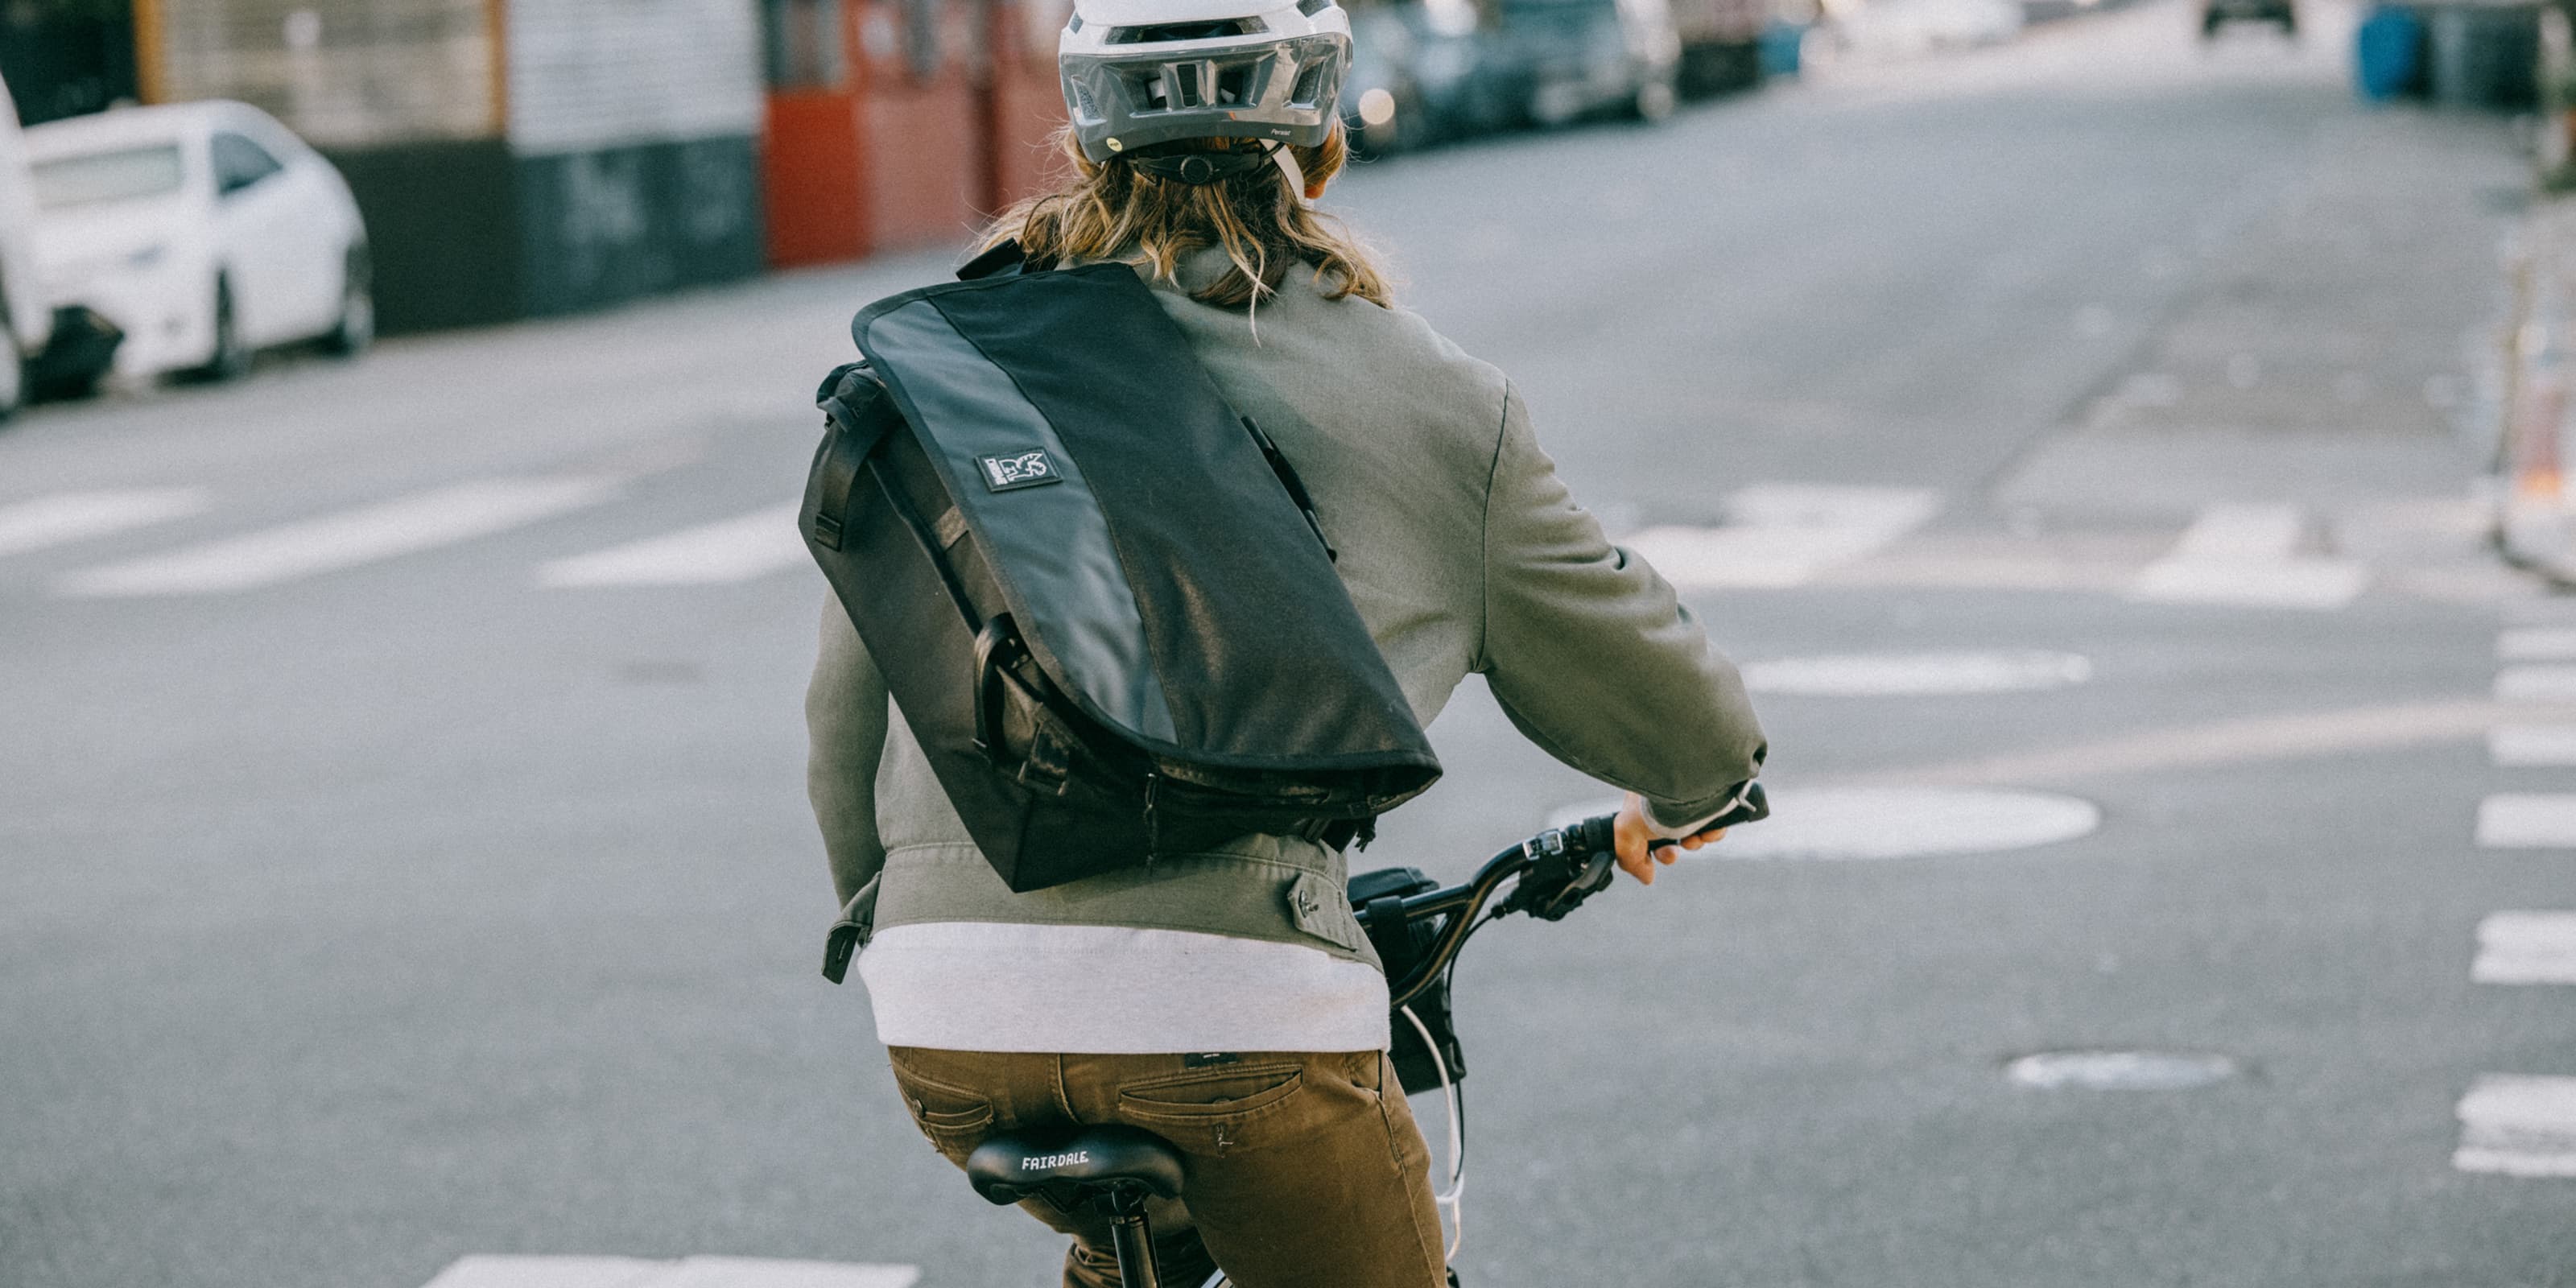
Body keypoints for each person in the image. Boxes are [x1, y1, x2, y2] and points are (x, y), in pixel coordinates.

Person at [802, 0, 1766, 1280]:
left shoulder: (960, 371)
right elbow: (1671, 705)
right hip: (1230, 1020)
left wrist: (916, 925)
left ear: (1088, 145)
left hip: (946, 1017)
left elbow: (839, 726)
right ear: (1319, 140)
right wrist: (1694, 790)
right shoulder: (1427, 398)